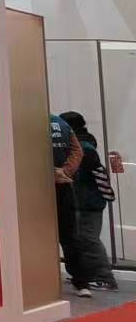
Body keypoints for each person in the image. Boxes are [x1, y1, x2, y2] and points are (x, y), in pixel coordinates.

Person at [60, 111, 118, 293]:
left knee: (88, 239)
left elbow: (82, 176)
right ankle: (86, 275)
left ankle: (105, 278)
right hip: (87, 201)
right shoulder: (85, 144)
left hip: (86, 203)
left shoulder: (83, 148)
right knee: (81, 239)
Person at [51, 112, 89, 296]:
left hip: (36, 188)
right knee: (70, 236)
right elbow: (77, 151)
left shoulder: (27, 123)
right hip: (63, 185)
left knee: (34, 234)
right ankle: (81, 283)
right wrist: (64, 172)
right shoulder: (61, 123)